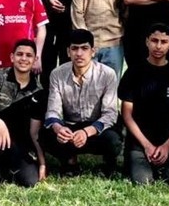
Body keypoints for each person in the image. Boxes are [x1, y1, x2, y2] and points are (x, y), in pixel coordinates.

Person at [41, 29, 121, 176]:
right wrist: (59, 129)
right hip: (70, 126)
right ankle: (70, 161)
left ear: (93, 51)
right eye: (74, 48)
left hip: (96, 127)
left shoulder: (107, 74)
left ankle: (108, 163)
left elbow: (110, 114)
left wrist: (86, 132)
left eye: (84, 48)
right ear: (68, 52)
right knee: (46, 135)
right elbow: (53, 111)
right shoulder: (57, 74)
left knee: (113, 140)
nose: (79, 53)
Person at [0, 40, 48, 194]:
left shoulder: (38, 90)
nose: (24, 58)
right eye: (19, 54)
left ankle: (3, 169)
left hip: (17, 141)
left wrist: (42, 163)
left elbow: (34, 133)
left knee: (30, 181)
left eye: (29, 55)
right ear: (12, 57)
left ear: (35, 59)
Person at [119, 24, 169, 185]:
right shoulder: (133, 73)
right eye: (154, 40)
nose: (158, 46)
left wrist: (167, 146)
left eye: (164, 42)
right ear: (147, 42)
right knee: (143, 182)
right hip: (139, 143)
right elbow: (127, 114)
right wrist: (147, 145)